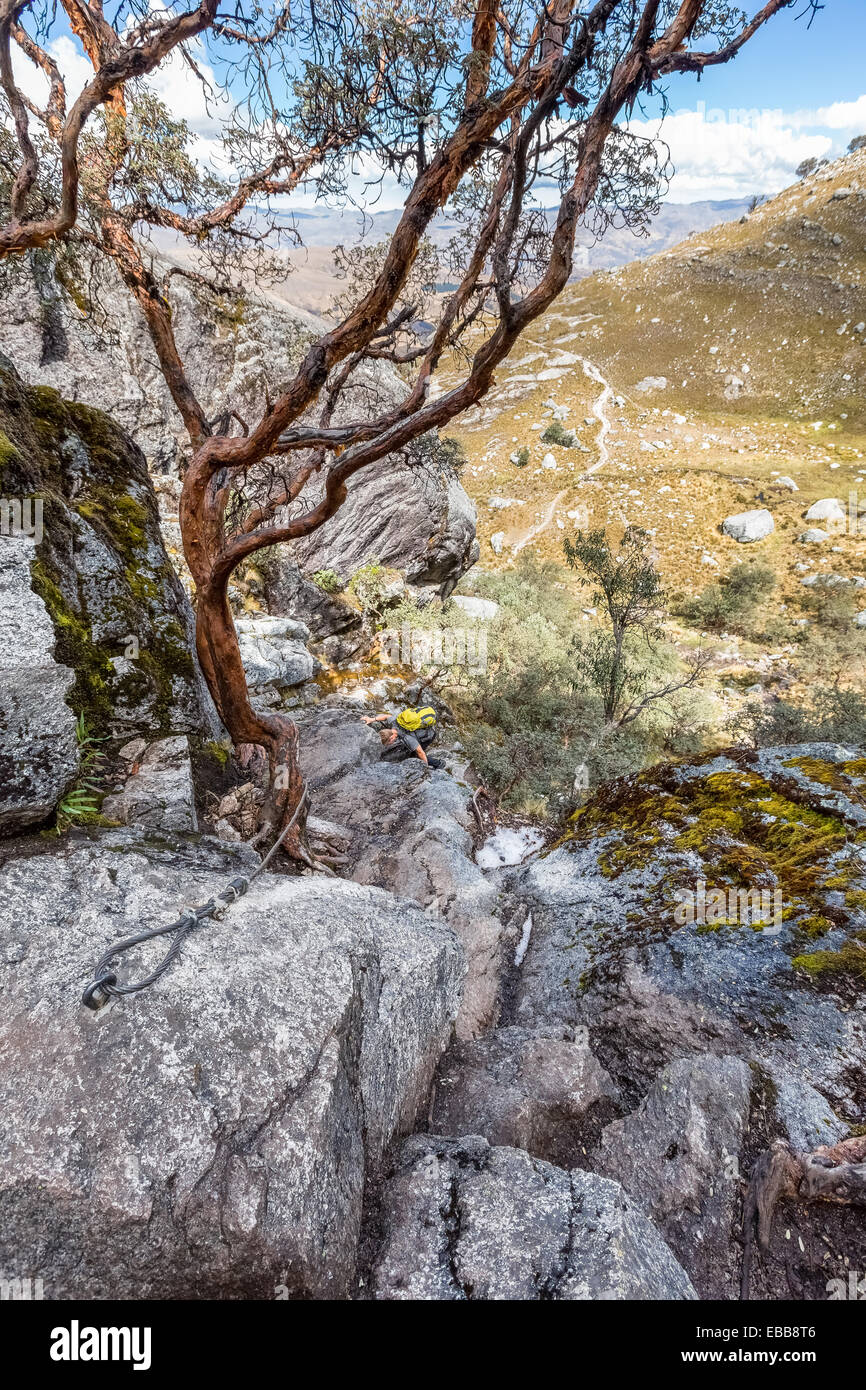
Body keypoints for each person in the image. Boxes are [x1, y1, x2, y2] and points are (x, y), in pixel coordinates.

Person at [361, 708, 444, 769]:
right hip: (419, 731)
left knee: (415, 755)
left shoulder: (407, 738)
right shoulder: (394, 722)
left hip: (427, 736)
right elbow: (386, 716)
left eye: (388, 743)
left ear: (392, 737)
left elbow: (420, 752)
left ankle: (439, 764)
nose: (388, 745)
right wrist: (371, 719)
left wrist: (424, 768)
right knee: (407, 750)